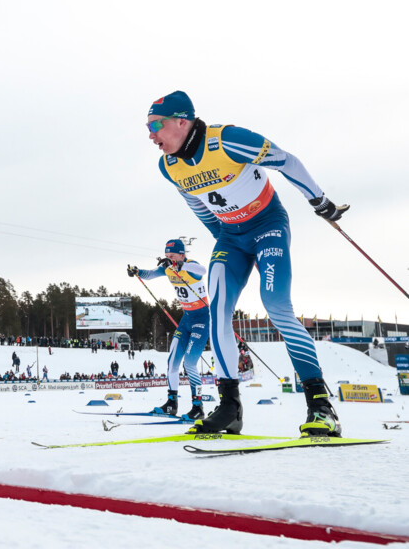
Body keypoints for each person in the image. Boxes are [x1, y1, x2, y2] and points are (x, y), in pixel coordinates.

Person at [147, 91, 345, 437]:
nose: (151, 135)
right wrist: (221, 234)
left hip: (267, 226)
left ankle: (320, 406)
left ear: (181, 121)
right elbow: (196, 203)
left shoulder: (227, 141)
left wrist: (319, 200)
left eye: (155, 125)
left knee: (276, 306)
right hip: (231, 238)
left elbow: (287, 161)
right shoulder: (169, 166)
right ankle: (230, 408)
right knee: (219, 313)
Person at [127, 238, 208, 421]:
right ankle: (172, 403)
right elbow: (150, 274)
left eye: (172, 256)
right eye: (166, 256)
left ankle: (198, 406)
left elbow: (202, 270)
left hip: (202, 320)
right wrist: (137, 272)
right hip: (186, 320)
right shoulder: (169, 268)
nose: (169, 259)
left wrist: (181, 265)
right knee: (172, 362)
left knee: (190, 363)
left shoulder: (190, 266)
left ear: (182, 254)